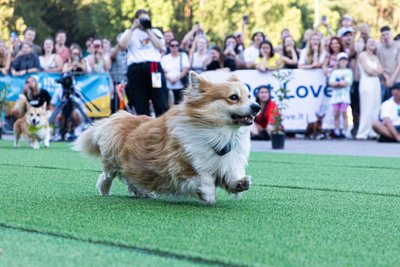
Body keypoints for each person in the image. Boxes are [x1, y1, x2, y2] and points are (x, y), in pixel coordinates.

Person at [119, 9, 169, 116]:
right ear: (136, 20)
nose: (144, 21)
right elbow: (122, 46)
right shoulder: (129, 33)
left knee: (160, 102)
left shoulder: (155, 32)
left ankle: (162, 129)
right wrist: (132, 27)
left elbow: (161, 46)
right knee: (140, 104)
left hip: (153, 68)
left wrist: (148, 30)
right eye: (142, 19)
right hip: (136, 69)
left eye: (147, 19)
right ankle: (144, 130)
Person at [356, 37, 384, 140]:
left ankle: (373, 131)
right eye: (370, 42)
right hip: (366, 82)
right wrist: (375, 71)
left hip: (376, 82)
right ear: (365, 44)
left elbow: (381, 70)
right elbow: (368, 70)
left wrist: (375, 71)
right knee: (366, 106)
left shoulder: (375, 57)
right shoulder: (362, 55)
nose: (372, 43)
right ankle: (363, 132)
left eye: (374, 42)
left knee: (375, 106)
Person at [328, 52, 353, 139]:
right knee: (336, 114)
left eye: (344, 60)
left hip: (345, 97)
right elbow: (331, 82)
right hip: (335, 97)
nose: (343, 62)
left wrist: (337, 84)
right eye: (341, 60)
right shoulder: (335, 72)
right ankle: (337, 130)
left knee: (344, 113)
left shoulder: (349, 71)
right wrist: (339, 83)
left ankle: (344, 130)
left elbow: (348, 82)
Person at [161, 39, 190, 105]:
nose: (174, 47)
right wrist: (169, 79)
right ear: (169, 47)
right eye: (172, 45)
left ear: (179, 46)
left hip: (180, 86)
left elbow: (185, 69)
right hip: (168, 86)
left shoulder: (183, 56)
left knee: (180, 105)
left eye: (176, 45)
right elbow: (162, 71)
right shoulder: (165, 58)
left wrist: (176, 78)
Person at [377, 26, 400, 103]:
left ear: (391, 34)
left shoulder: (398, 45)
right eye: (383, 35)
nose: (385, 36)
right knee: (385, 104)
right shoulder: (379, 48)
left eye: (387, 34)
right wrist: (387, 78)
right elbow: (379, 65)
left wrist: (392, 79)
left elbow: (399, 64)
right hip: (385, 82)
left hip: (397, 80)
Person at [110, 34, 128, 112]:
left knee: (128, 105)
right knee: (117, 105)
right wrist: (119, 44)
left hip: (127, 82)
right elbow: (112, 56)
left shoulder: (130, 50)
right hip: (116, 82)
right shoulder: (113, 50)